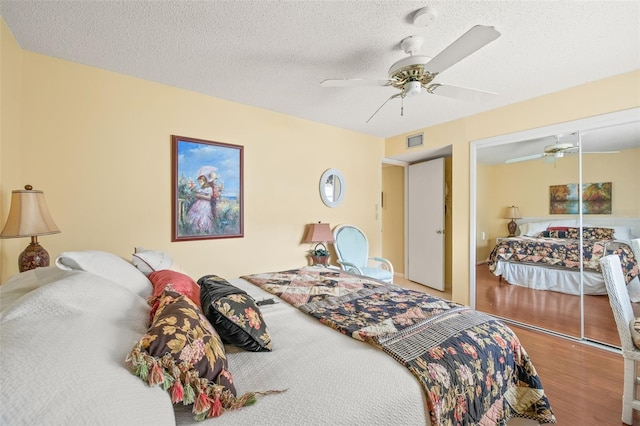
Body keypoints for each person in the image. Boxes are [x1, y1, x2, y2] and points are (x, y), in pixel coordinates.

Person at [185, 166, 218, 234]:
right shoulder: (201, 189)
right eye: (199, 182)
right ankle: (197, 230)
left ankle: (204, 229)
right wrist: (194, 193)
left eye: (201, 181)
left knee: (204, 216)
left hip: (205, 205)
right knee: (196, 216)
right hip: (198, 204)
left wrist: (199, 196)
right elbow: (196, 194)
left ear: (205, 181)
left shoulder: (209, 189)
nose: (199, 183)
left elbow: (209, 198)